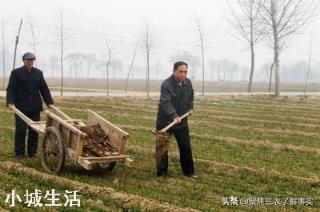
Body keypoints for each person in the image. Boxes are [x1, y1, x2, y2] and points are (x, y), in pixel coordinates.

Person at [6, 52, 54, 159]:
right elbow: (11, 89)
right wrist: (10, 101)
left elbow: (44, 89)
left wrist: (49, 102)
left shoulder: (38, 73)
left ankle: (32, 153)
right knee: (21, 130)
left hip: (35, 107)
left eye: (32, 60)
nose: (30, 62)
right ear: (24, 61)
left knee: (34, 131)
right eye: (28, 60)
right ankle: (19, 153)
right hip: (20, 107)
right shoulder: (16, 73)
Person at [155, 61, 197, 179]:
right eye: (181, 71)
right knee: (162, 148)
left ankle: (189, 172)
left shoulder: (187, 83)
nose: (183, 74)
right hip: (166, 121)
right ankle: (162, 173)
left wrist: (190, 108)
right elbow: (165, 102)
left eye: (185, 72)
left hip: (182, 122)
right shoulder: (166, 85)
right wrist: (173, 115)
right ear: (174, 71)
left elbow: (191, 97)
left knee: (185, 147)